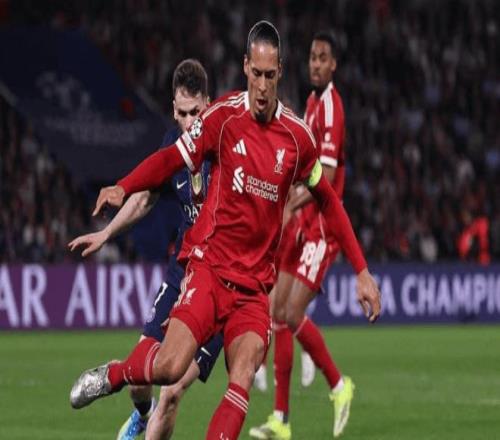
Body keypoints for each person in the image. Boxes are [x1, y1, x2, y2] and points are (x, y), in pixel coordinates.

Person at [70, 21, 381, 440]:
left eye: (271, 76)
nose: (263, 86)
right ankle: (113, 374)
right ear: (245, 67)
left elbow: (328, 200)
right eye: (257, 74)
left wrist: (361, 270)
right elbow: (170, 160)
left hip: (253, 291)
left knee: (243, 374)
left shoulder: (297, 139)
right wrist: (123, 185)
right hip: (210, 272)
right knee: (168, 368)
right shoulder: (222, 117)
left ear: (280, 72)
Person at [69, 59, 223, 440]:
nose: (189, 122)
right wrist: (107, 233)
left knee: (172, 390)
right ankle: (142, 413)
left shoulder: (225, 144)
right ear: (173, 109)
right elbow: (144, 199)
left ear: (208, 104)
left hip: (220, 281)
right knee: (142, 379)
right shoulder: (173, 146)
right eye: (182, 113)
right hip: (182, 271)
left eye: (196, 112)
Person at [249, 31, 354, 440]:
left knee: (290, 313)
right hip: (302, 224)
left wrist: (289, 206)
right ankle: (281, 419)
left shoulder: (331, 107)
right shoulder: (311, 103)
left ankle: (339, 385)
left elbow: (325, 176)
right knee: (277, 311)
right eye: (312, 56)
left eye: (323, 57)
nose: (315, 63)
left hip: (322, 228)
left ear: (334, 65)